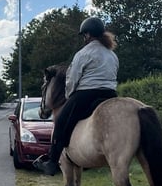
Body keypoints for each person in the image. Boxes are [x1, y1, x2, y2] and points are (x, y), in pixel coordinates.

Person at [34, 16, 119, 176]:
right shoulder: (111, 54)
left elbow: (72, 80)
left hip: (87, 94)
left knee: (60, 123)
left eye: (84, 35)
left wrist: (69, 96)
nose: (84, 38)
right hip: (111, 94)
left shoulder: (83, 53)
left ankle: (52, 163)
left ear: (87, 34)